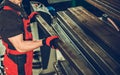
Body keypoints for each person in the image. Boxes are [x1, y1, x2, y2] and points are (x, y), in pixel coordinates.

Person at [0, 0, 59, 75]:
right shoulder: (8, 15)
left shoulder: (14, 5)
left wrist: (28, 19)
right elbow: (20, 47)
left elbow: (16, 25)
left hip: (24, 57)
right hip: (18, 62)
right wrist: (45, 41)